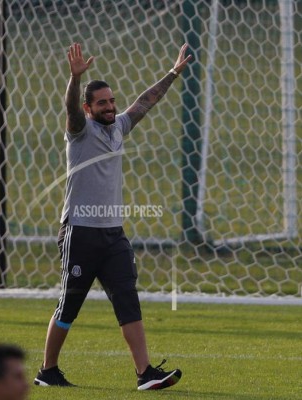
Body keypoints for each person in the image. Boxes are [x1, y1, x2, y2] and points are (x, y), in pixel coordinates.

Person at [34, 43, 192, 390]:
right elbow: (70, 108)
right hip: (80, 231)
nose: (110, 106)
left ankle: (145, 373)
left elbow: (146, 101)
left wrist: (173, 73)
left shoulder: (119, 127)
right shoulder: (79, 131)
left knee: (127, 297)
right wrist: (75, 79)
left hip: (112, 234)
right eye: (101, 102)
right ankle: (47, 370)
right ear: (89, 108)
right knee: (70, 304)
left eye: (111, 100)